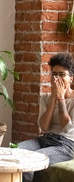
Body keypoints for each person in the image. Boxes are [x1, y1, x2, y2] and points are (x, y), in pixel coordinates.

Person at [19, 53, 74, 182]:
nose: (56, 79)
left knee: (34, 159)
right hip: (45, 139)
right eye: (54, 74)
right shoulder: (45, 97)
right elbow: (43, 126)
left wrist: (60, 98)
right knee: (16, 151)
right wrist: (53, 98)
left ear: (71, 78)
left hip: (67, 145)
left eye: (61, 74)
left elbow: (67, 128)